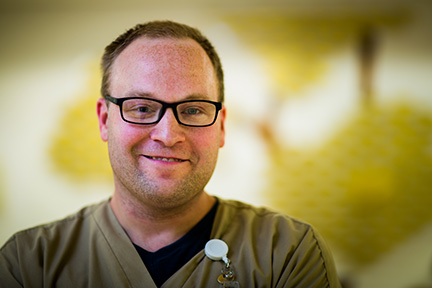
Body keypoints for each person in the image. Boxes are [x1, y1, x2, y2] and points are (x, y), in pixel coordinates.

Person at [0, 20, 341, 287]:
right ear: (105, 120)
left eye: (193, 110)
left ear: (221, 127)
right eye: (142, 107)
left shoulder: (286, 253)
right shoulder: (31, 263)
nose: (167, 135)